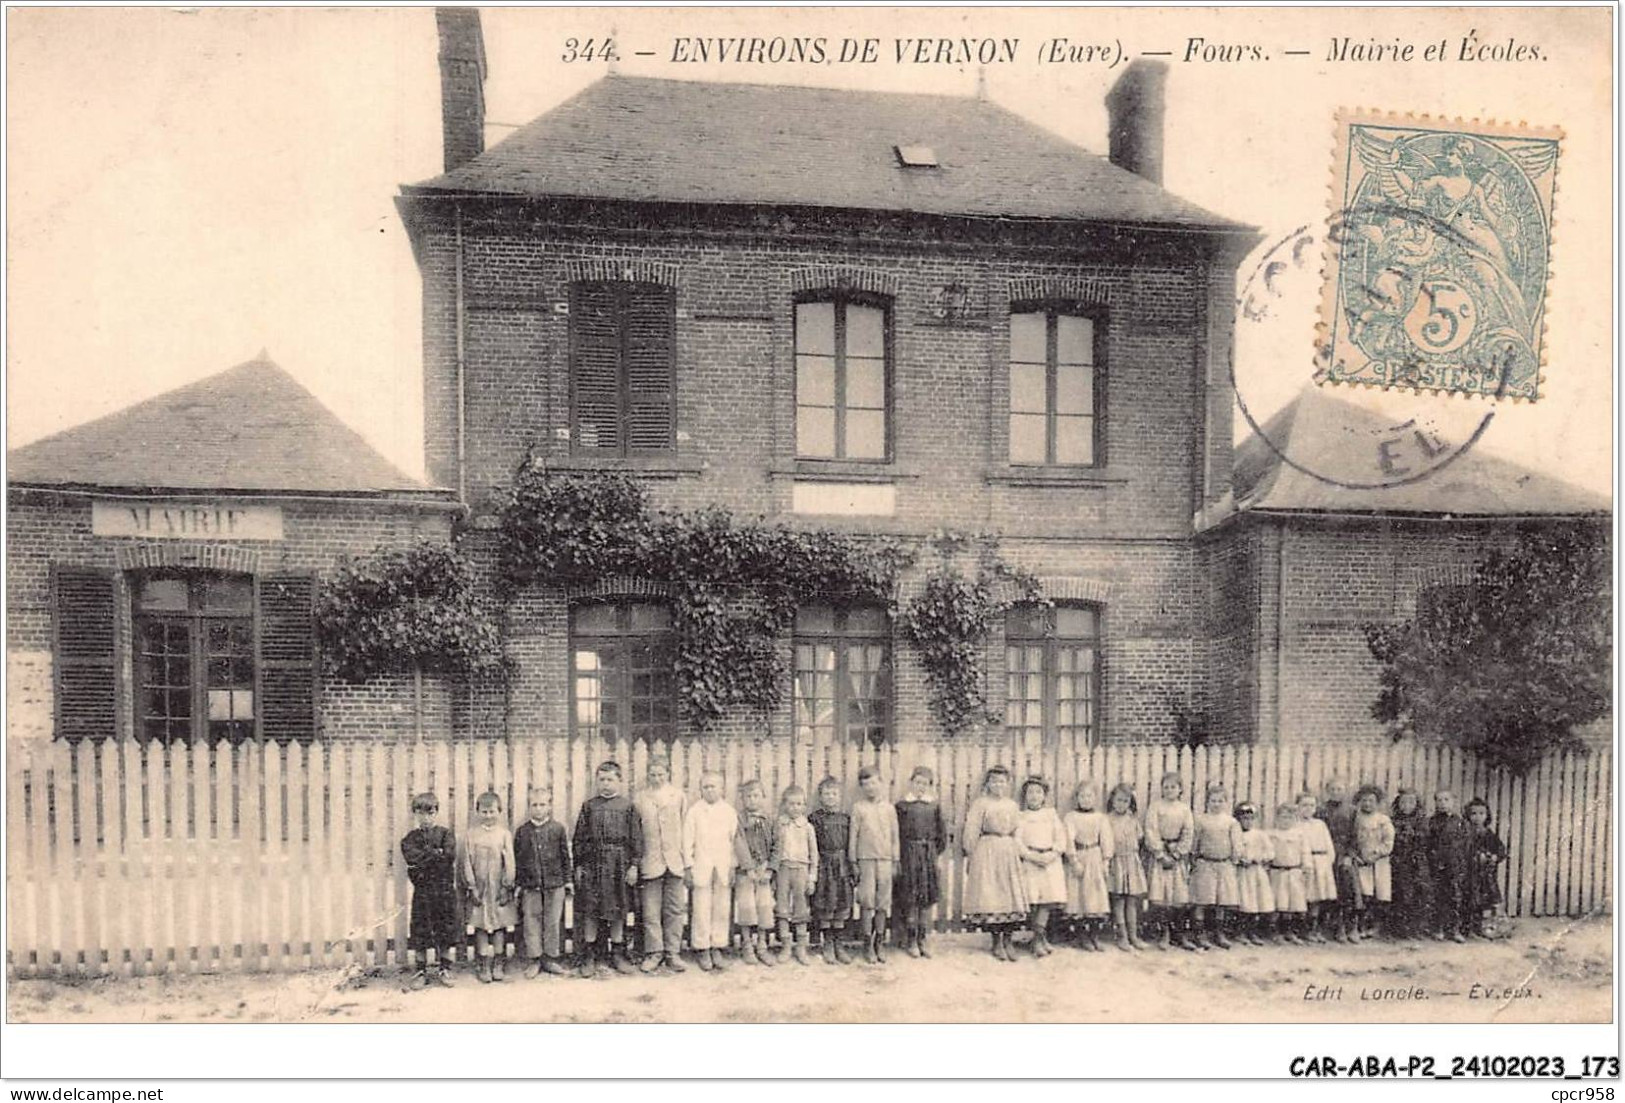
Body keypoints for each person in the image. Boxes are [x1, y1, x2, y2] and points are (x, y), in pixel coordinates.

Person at [572, 761, 643, 977]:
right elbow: (579, 839)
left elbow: (636, 838)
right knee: (591, 910)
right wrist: (580, 865)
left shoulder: (627, 807)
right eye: (601, 779)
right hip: (594, 864)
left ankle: (618, 953)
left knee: (618, 910)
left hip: (619, 864)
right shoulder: (589, 806)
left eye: (610, 779)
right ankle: (590, 954)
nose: (605, 784)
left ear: (620, 781)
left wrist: (634, 865)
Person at [961, 765, 1029, 962]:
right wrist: (971, 855)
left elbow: (1018, 830)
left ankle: (1009, 940)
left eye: (1002, 781)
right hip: (987, 850)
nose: (998, 785)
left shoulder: (1012, 805)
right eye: (994, 781)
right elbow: (971, 831)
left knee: (1010, 895)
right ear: (988, 784)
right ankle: (996, 941)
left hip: (1008, 850)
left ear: (1008, 784)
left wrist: (1020, 852)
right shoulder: (980, 804)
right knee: (992, 896)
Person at [633, 755, 688, 974]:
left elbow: (685, 828)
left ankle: (672, 953)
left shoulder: (679, 796)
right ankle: (654, 952)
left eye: (661, 774)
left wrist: (685, 858)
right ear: (648, 775)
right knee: (650, 910)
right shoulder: (640, 799)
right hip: (651, 861)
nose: (657, 778)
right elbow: (636, 832)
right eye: (653, 774)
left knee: (674, 909)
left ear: (668, 774)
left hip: (674, 860)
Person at [400, 792, 459, 988]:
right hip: (423, 892)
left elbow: (449, 856)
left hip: (443, 891)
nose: (425, 818)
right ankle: (420, 970)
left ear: (436, 813)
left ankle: (445, 967)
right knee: (421, 930)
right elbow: (411, 857)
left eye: (430, 813)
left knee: (445, 929)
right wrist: (435, 854)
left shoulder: (446, 834)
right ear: (415, 814)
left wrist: (427, 858)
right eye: (420, 813)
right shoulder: (410, 838)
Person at [513, 785, 571, 978]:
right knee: (531, 921)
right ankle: (535, 959)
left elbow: (565, 857)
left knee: (553, 921)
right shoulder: (522, 831)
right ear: (529, 807)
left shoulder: (558, 829)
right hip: (531, 886)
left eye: (542, 804)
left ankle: (550, 958)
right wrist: (519, 884)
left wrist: (567, 880)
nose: (538, 808)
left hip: (555, 884)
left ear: (549, 806)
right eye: (534, 805)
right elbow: (518, 859)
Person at [682, 771, 738, 971]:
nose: (710, 790)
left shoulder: (729, 812)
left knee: (722, 908)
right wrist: (688, 866)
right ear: (700, 789)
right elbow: (687, 841)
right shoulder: (695, 812)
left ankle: (718, 945)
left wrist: (733, 865)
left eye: (714, 786)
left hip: (722, 866)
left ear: (722, 788)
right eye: (706, 786)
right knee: (701, 908)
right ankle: (702, 947)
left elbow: (734, 842)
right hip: (702, 866)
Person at [460, 790, 518, 983]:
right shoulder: (471, 835)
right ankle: (483, 962)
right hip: (480, 889)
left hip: (498, 889)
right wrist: (472, 887)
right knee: (481, 926)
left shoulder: (504, 835)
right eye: (484, 812)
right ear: (477, 812)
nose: (488, 815)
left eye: (492, 811)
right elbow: (466, 862)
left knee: (500, 925)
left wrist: (507, 886)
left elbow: (509, 861)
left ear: (499, 811)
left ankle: (499, 961)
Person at [893, 766, 947, 959]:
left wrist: (932, 853)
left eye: (925, 783)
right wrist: (901, 856)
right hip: (908, 855)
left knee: (925, 899)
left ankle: (923, 939)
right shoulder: (902, 806)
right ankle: (911, 939)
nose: (920, 787)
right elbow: (896, 834)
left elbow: (942, 835)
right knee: (910, 898)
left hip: (927, 855)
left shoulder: (934, 806)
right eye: (917, 782)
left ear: (930, 786)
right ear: (911, 783)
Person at [849, 766, 900, 964]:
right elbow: (853, 836)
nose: (870, 787)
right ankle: (867, 943)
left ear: (881, 783)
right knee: (867, 903)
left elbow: (895, 837)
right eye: (865, 784)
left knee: (882, 903)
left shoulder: (889, 808)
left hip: (885, 861)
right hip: (866, 860)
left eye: (873, 783)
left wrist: (895, 860)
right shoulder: (859, 808)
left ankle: (880, 942)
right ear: (862, 787)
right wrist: (853, 861)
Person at [1016, 777, 1069, 958]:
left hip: (1050, 862)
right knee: (1034, 900)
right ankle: (1036, 938)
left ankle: (1040, 936)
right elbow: (1018, 842)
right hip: (1031, 862)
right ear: (1025, 796)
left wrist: (1052, 854)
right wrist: (1031, 856)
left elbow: (1061, 838)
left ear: (1044, 796)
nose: (1034, 796)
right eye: (1030, 792)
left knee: (1046, 901)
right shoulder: (1021, 817)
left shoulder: (1051, 815)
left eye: (1038, 792)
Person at [807, 776, 856, 964]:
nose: (830, 797)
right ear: (820, 797)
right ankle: (826, 941)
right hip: (824, 864)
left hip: (841, 864)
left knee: (841, 903)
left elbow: (851, 844)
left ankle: (838, 942)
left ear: (840, 796)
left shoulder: (845, 819)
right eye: (826, 794)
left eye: (834, 793)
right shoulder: (814, 819)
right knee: (826, 902)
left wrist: (852, 867)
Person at [1144, 771, 1195, 950]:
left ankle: (1179, 934)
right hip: (1160, 857)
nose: (1169, 790)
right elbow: (1151, 830)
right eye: (1166, 787)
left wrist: (1177, 854)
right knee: (1161, 897)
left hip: (1176, 858)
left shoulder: (1184, 809)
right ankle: (1163, 933)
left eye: (1173, 787)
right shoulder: (1156, 807)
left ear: (1180, 789)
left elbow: (1188, 832)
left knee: (1178, 896)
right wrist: (1160, 853)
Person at [1062, 778, 1114, 951]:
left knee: (1095, 897)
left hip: (1095, 858)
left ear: (1095, 798)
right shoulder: (1071, 817)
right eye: (1082, 796)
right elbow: (1068, 840)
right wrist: (1074, 860)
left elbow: (1106, 839)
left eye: (1089, 796)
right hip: (1078, 857)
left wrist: (1106, 861)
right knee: (1078, 897)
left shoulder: (1100, 818)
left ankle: (1094, 935)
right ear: (1077, 798)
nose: (1085, 799)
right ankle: (1081, 935)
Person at [1190, 782, 1243, 950]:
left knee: (1222, 901)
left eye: (1220, 801)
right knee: (1203, 900)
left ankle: (1219, 933)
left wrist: (1235, 857)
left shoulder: (1231, 822)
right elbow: (1195, 842)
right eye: (1213, 801)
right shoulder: (1201, 820)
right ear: (1207, 802)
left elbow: (1237, 843)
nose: (1216, 804)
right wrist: (1194, 859)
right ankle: (1200, 933)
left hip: (1224, 864)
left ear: (1226, 802)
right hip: (1205, 863)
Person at [771, 784, 819, 966]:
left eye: (799, 804)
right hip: (783, 869)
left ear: (804, 806)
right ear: (784, 805)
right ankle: (785, 945)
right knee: (782, 906)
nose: (795, 808)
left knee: (801, 907)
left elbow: (814, 855)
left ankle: (801, 947)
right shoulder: (779, 825)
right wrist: (774, 875)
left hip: (801, 870)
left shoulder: (807, 828)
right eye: (791, 804)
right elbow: (774, 849)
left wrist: (812, 877)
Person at [733, 779, 778, 967]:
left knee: (764, 906)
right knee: (746, 906)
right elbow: (739, 843)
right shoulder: (739, 819)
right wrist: (749, 867)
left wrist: (769, 868)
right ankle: (746, 945)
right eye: (748, 796)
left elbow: (778, 845)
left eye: (756, 796)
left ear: (763, 797)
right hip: (746, 872)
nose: (752, 800)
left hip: (764, 872)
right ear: (742, 799)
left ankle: (762, 945)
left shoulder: (770, 819)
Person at [1104, 782, 1149, 951]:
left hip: (1131, 861)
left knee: (1132, 900)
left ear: (1131, 803)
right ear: (1112, 801)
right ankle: (1121, 936)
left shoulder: (1133, 820)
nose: (1121, 804)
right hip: (1116, 862)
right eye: (1118, 800)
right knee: (1118, 900)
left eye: (1125, 801)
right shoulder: (1107, 819)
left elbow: (1139, 839)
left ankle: (1133, 935)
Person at [1388, 787, 1434, 942]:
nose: (1407, 805)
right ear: (1397, 804)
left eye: (1411, 802)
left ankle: (1417, 928)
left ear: (1417, 804)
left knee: (1420, 894)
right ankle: (1400, 929)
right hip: (1400, 862)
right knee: (1402, 894)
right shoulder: (1393, 821)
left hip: (1418, 862)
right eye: (1403, 802)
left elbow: (1425, 839)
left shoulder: (1422, 821)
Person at [1351, 784, 1395, 940]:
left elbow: (1388, 842)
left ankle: (1376, 927)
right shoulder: (1355, 818)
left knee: (1380, 894)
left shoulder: (1383, 820)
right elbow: (1352, 840)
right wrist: (1357, 856)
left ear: (1377, 802)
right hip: (1361, 862)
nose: (1367, 804)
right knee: (1364, 894)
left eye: (1371, 801)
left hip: (1379, 862)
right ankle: (1362, 925)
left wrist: (1376, 855)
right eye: (1364, 801)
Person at [1428, 790, 1472, 943]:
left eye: (1446, 799)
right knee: (1438, 897)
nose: (1442, 803)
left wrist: (1459, 864)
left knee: (1455, 897)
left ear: (1453, 801)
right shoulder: (1431, 822)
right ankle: (1438, 928)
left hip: (1455, 866)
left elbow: (1466, 846)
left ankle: (1454, 929)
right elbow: (1428, 845)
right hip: (1437, 866)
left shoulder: (1461, 823)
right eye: (1439, 800)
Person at [1319, 778, 1358, 942]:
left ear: (1345, 791)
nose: (1336, 792)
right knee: (1330, 891)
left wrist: (1349, 855)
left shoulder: (1352, 810)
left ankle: (1351, 927)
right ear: (1328, 791)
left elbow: (1355, 836)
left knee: (1348, 890)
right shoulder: (1321, 810)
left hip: (1344, 854)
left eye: (1339, 789)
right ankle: (1335, 928)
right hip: (1327, 854)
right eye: (1333, 789)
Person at [1297, 791, 1336, 943]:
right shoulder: (1295, 825)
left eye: (1311, 805)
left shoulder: (1320, 825)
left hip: (1321, 862)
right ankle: (1302, 929)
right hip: (1305, 863)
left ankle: (1314, 929)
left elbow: (1329, 845)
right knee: (1304, 896)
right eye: (1304, 805)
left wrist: (1327, 863)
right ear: (1298, 807)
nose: (1308, 808)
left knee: (1317, 898)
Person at [1465, 797, 1507, 938]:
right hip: (1471, 874)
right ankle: (1471, 927)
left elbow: (1500, 850)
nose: (1477, 817)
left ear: (1487, 815)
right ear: (1468, 816)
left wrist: (1495, 856)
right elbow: (1463, 852)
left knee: (1488, 900)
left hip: (1487, 875)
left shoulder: (1489, 834)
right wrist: (1476, 856)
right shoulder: (1466, 834)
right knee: (1472, 898)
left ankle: (1489, 927)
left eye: (1481, 813)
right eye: (1474, 814)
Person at [1268, 802, 1308, 944]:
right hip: (1278, 872)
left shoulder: (1299, 835)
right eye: (1283, 817)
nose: (1286, 821)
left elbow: (1305, 852)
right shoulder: (1272, 835)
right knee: (1278, 903)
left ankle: (1288, 931)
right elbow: (1268, 853)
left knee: (1291, 904)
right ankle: (1274, 932)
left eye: (1289, 818)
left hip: (1294, 871)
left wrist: (1306, 867)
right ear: (1277, 818)